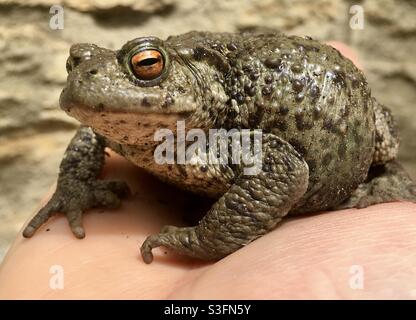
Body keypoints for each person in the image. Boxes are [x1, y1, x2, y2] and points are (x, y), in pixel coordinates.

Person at [0, 43, 415, 299]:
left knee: (385, 140)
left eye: (144, 66)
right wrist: (74, 185)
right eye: (74, 65)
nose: (84, 79)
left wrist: (206, 238)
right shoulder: (132, 131)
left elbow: (283, 168)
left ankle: (391, 176)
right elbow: (96, 132)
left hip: (331, 112)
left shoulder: (214, 139)